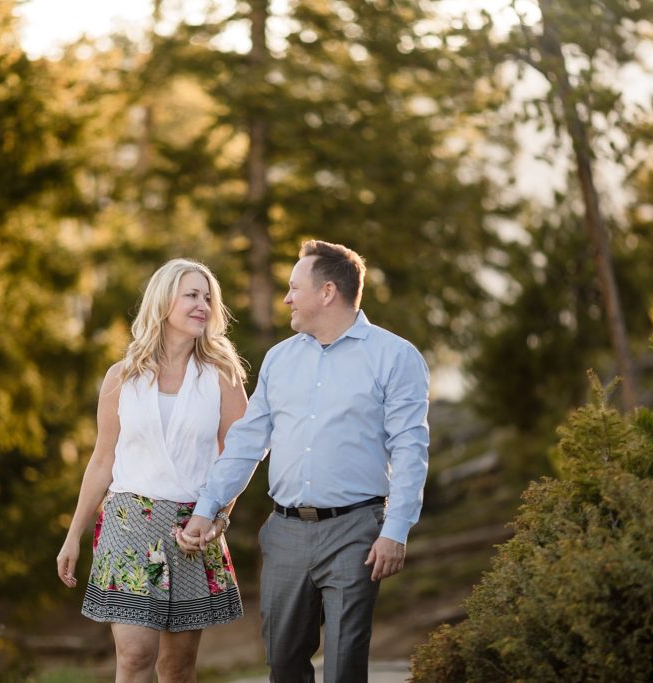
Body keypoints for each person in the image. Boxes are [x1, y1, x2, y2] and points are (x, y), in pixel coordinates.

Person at [178, 240, 431, 683]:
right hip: (285, 533)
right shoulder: (281, 358)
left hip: (356, 531)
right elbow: (246, 443)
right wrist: (206, 508)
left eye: (295, 288)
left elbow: (410, 450)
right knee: (283, 661)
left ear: (328, 292)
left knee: (344, 662)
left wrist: (396, 531)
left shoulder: (395, 356)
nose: (287, 298)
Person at [56, 258, 248, 683]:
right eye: (192, 295)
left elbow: (238, 456)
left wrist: (217, 516)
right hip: (128, 524)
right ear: (163, 303)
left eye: (208, 297)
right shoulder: (120, 377)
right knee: (134, 656)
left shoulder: (222, 377)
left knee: (177, 667)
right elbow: (102, 461)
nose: (203, 305)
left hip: (192, 528)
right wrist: (73, 535)